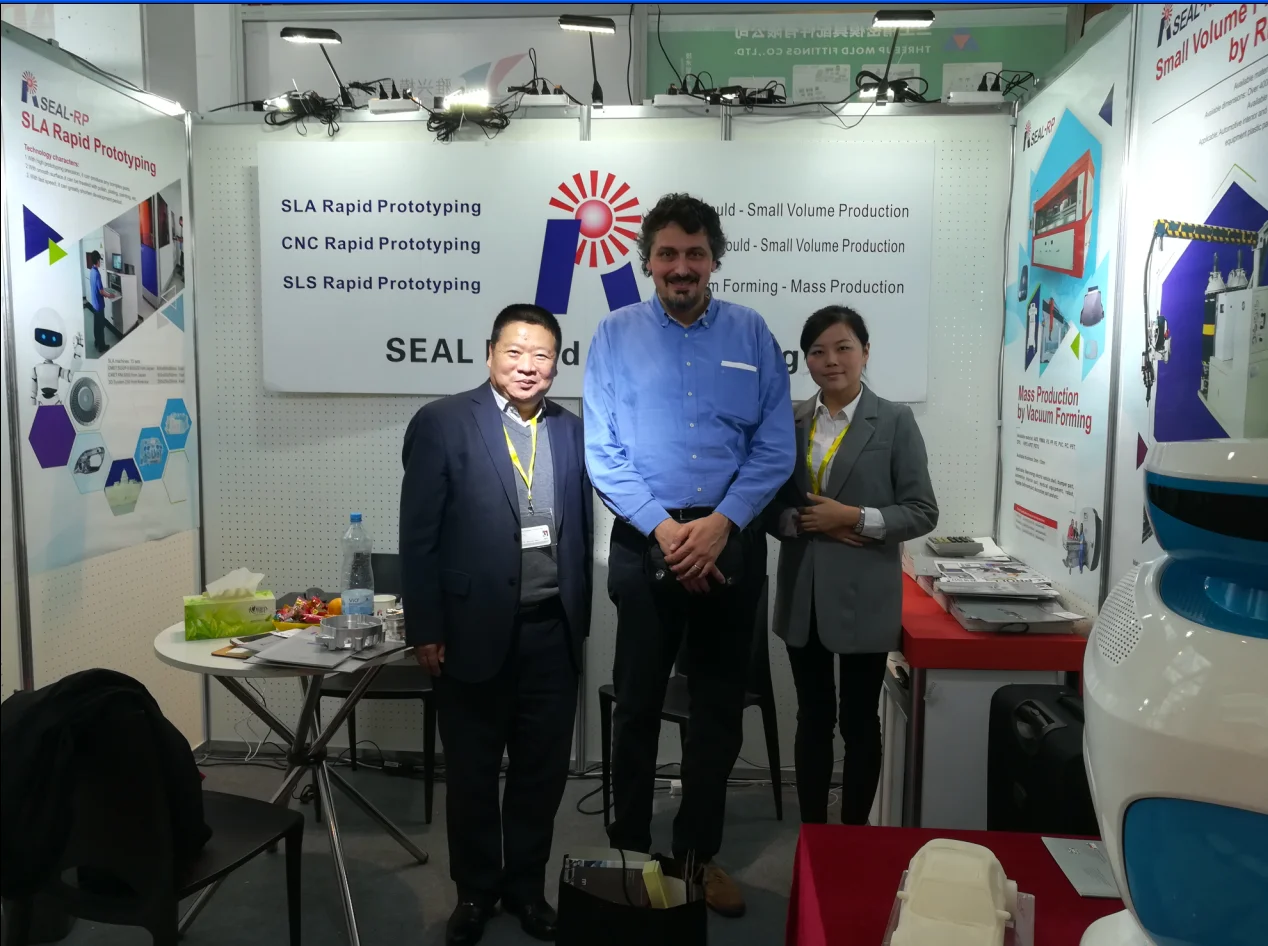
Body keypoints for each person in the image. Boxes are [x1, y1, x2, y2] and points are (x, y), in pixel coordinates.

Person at [583, 193, 795, 917]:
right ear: (648, 261)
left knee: (718, 712)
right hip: (647, 543)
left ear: (714, 260)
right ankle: (631, 856)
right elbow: (603, 451)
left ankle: (697, 858)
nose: (682, 267)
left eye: (695, 253)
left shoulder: (751, 331)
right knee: (637, 707)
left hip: (730, 541)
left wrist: (720, 524)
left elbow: (774, 446)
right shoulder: (614, 335)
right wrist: (665, 530)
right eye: (668, 253)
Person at [400, 304, 592, 946]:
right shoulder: (443, 422)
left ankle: (527, 889)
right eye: (515, 351)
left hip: (551, 633)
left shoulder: (572, 430)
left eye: (542, 355)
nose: (528, 366)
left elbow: (579, 529)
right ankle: (475, 892)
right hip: (468, 631)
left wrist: (579, 621)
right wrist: (425, 626)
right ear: (489, 354)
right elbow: (418, 535)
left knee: (542, 773)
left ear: (556, 363)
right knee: (473, 774)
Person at [766, 306, 938, 825]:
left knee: (859, 721)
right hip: (804, 596)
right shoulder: (790, 420)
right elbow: (769, 503)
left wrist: (855, 518)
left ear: (865, 352)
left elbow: (922, 510)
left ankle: (855, 838)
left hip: (866, 596)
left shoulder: (894, 420)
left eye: (843, 348)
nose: (831, 360)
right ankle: (814, 833)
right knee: (812, 718)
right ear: (806, 360)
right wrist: (804, 523)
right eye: (818, 351)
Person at [86, 251, 122, 354]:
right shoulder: (97, 274)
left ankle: (97, 342)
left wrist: (105, 292)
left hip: (94, 303)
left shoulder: (92, 271)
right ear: (97, 261)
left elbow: (97, 288)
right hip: (99, 305)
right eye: (100, 260)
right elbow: (101, 291)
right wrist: (110, 295)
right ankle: (102, 346)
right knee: (101, 326)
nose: (100, 262)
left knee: (96, 325)